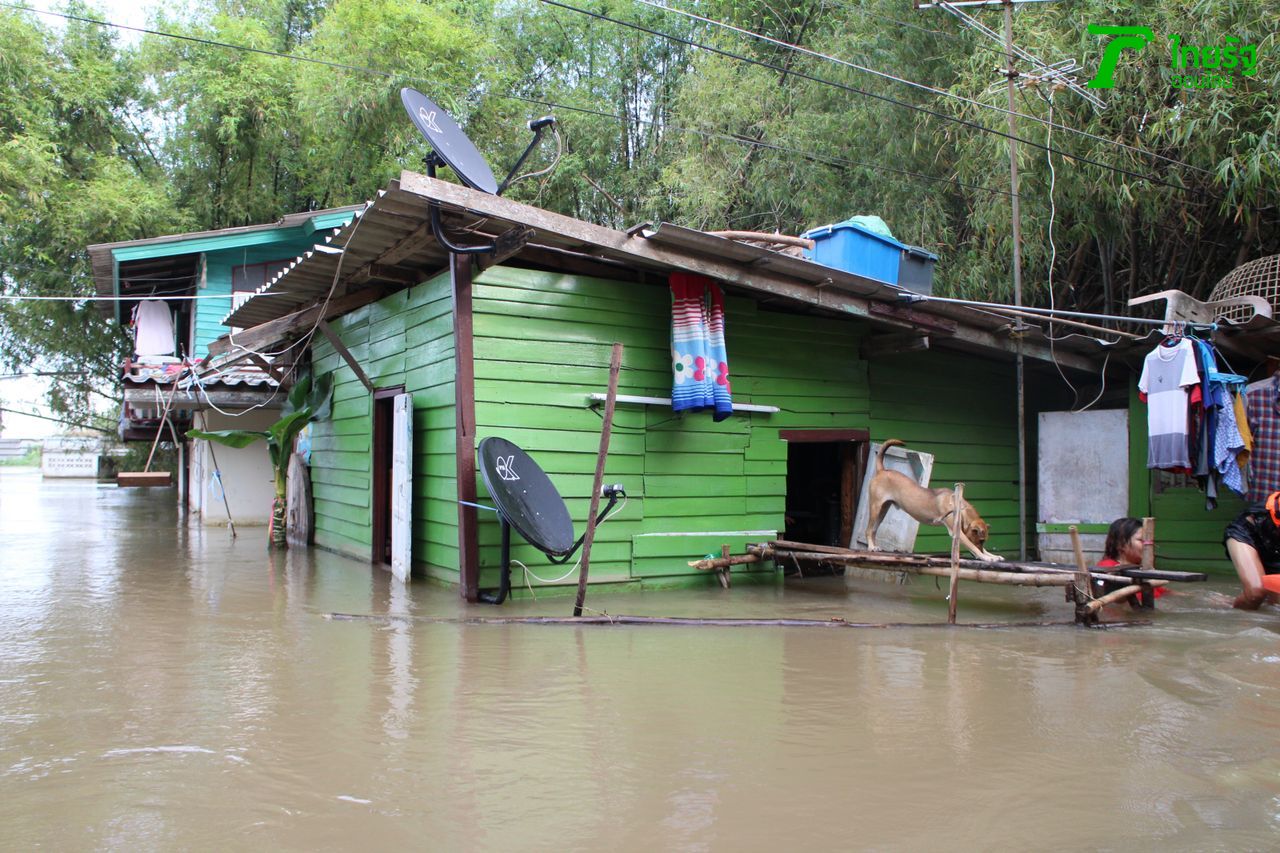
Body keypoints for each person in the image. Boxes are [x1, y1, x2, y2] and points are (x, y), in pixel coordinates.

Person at [1223, 492, 1280, 609]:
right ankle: (1228, 613)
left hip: (1275, 542)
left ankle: (1226, 603)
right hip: (1248, 531)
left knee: (1274, 606)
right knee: (1256, 592)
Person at [1095, 517, 1165, 604]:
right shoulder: (1108, 567)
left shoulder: (1143, 570)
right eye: (1141, 540)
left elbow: (1165, 593)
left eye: (1149, 541)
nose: (1149, 546)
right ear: (1121, 544)